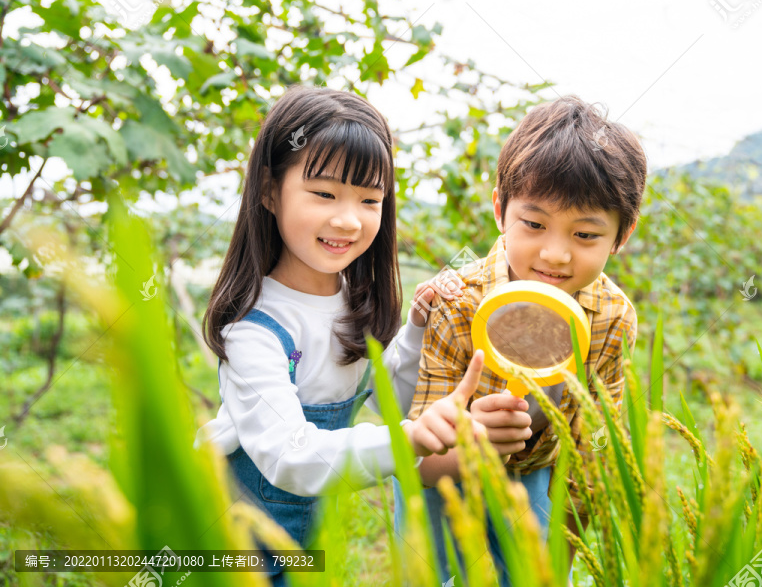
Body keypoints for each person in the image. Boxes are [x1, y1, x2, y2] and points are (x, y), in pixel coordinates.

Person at [193, 86, 490, 584]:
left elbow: (387, 400)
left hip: (305, 538)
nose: (348, 219)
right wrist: (407, 441)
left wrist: (417, 330)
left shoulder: (355, 299)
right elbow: (292, 459)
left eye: (369, 200)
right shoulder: (255, 331)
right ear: (269, 190)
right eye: (325, 193)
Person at [396, 95, 648, 586]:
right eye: (533, 225)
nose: (554, 254)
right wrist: (472, 440)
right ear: (499, 210)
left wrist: (562, 551)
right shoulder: (458, 302)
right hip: (446, 473)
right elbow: (422, 462)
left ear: (622, 236)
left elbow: (592, 450)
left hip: (536, 468)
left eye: (585, 235)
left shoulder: (612, 319)